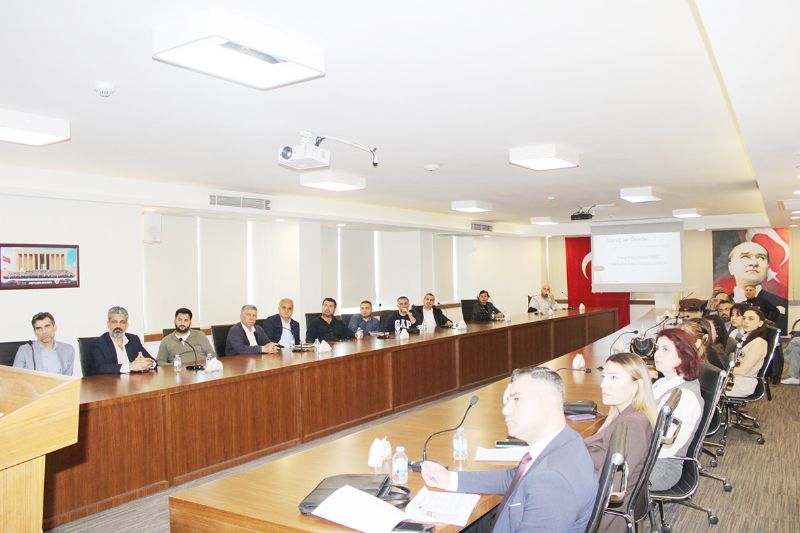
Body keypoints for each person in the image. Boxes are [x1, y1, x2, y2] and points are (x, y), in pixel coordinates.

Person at [421, 367, 597, 533]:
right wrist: (450, 479)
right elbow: (514, 477)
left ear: (549, 403)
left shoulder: (552, 481)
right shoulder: (567, 440)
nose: (505, 410)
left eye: (516, 399)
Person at [584, 353, 656, 533]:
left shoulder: (632, 426)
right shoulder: (623, 416)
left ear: (636, 386)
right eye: (604, 377)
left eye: (614, 377)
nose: (603, 384)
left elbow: (611, 492)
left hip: (599, 519)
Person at [649, 328, 703, 491]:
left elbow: (665, 447)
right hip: (647, 456)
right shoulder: (662, 382)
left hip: (660, 468)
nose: (657, 354)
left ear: (683, 356)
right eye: (657, 348)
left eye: (665, 349)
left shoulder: (685, 397)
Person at [727, 240, 787, 332]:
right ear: (731, 267)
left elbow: (775, 312)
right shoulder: (726, 300)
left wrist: (766, 322)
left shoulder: (776, 302)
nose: (754, 263)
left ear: (768, 269)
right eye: (745, 257)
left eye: (761, 258)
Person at [88, 306, 156, 375]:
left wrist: (147, 363)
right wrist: (130, 367)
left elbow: (153, 361)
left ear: (127, 325)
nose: (118, 326)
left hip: (133, 380)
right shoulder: (98, 343)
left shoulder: (133, 339)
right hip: (109, 381)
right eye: (114, 322)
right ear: (108, 324)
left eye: (122, 322)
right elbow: (100, 368)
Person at [13, 311, 75, 375]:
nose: (44, 331)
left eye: (47, 326)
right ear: (35, 332)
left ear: (55, 327)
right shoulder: (24, 350)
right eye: (39, 328)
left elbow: (68, 378)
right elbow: (15, 377)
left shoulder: (68, 350)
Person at [727, 308, 769, 398]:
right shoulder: (745, 336)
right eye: (744, 318)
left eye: (751, 319)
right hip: (733, 378)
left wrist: (722, 371)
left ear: (760, 323)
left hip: (742, 383)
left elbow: (742, 371)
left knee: (707, 388)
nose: (745, 321)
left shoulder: (759, 342)